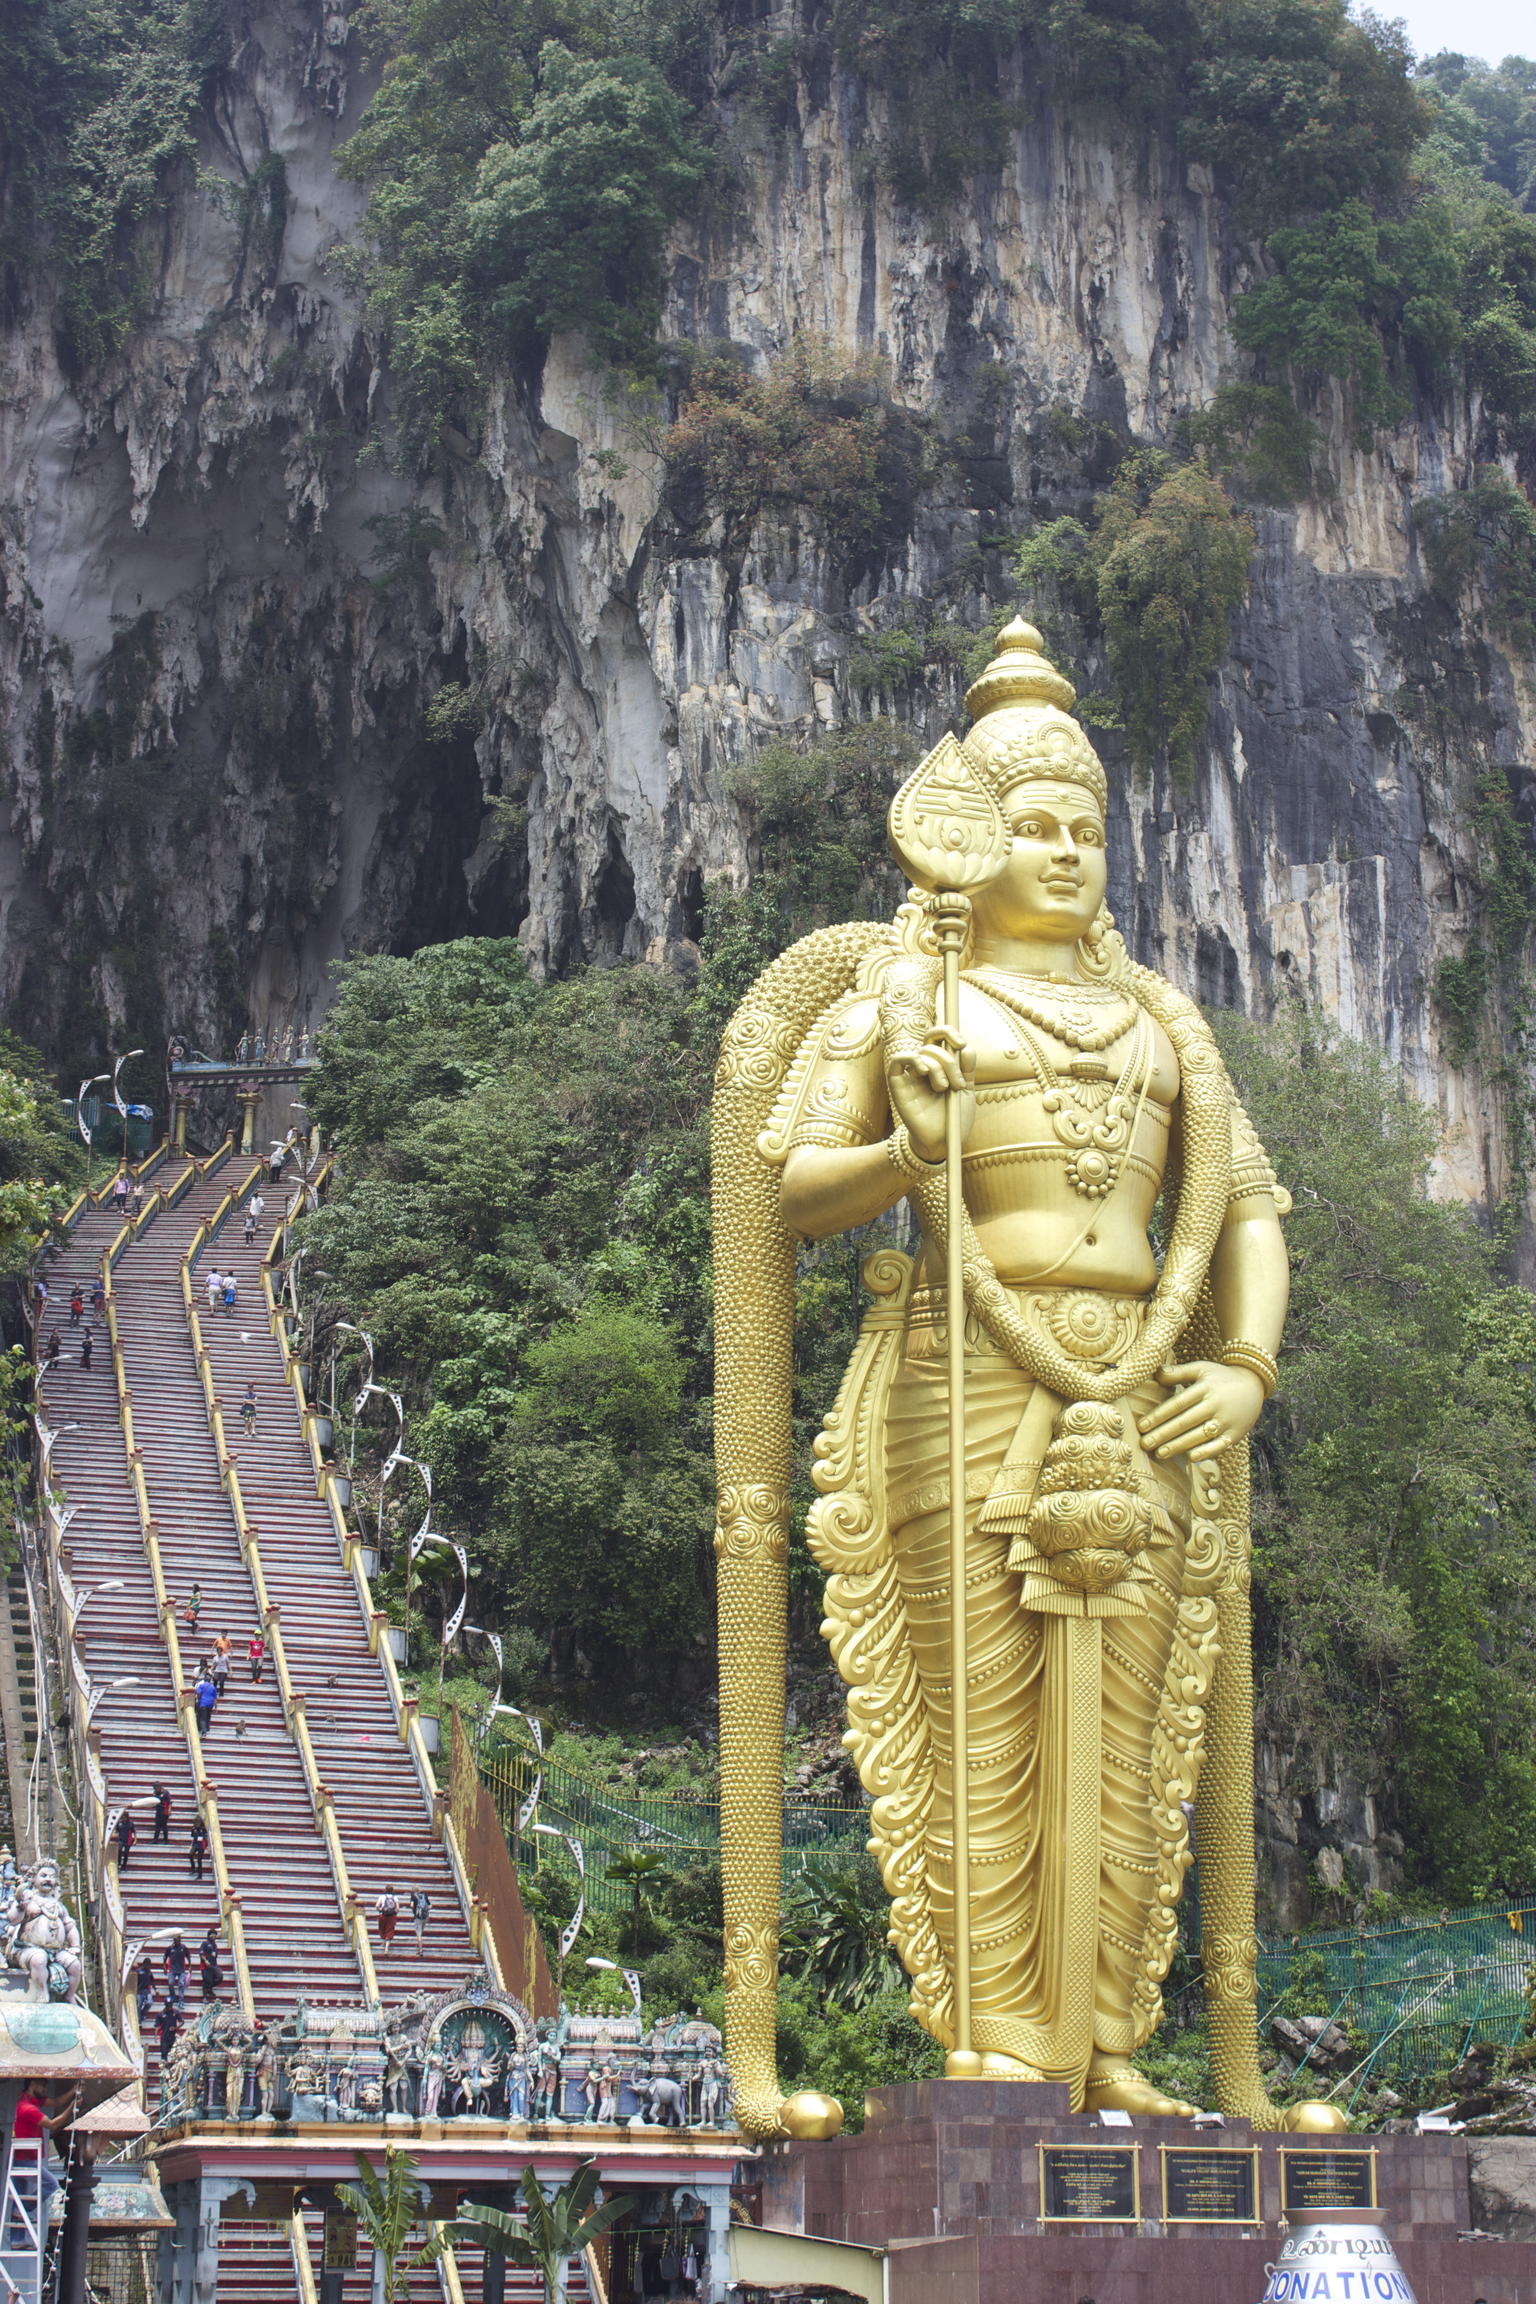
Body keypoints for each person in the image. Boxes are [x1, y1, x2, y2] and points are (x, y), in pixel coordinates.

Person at [710, 615, 1342, 2138]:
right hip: (960, 1373)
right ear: (968, 845)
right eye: (1032, 827)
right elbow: (781, 1185)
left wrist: (1243, 1365)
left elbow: (1245, 1204)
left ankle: (1113, 2041)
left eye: (1085, 828)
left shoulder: (1163, 1023)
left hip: (1144, 1384)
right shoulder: (907, 1001)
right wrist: (905, 1149)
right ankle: (996, 2037)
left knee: (1141, 1724)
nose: (1062, 852)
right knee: (978, 1710)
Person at [374, 1886, 400, 1958]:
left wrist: (380, 1910)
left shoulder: (382, 1897)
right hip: (392, 1916)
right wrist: (394, 1912)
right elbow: (397, 1909)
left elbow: (376, 1906)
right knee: (390, 1930)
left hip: (383, 1915)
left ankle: (384, 1942)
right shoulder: (395, 1897)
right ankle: (386, 1949)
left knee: (382, 1929)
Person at [164, 1934, 189, 2004]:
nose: (177, 1941)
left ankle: (181, 1999)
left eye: (178, 1939)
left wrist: (190, 1966)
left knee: (181, 1984)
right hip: (172, 1969)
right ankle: (173, 1996)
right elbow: (165, 1957)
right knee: (170, 1983)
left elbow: (188, 1956)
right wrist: (164, 1967)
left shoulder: (183, 1947)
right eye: (175, 1940)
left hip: (181, 1969)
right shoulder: (170, 1948)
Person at [198, 1930, 221, 2002]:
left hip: (213, 1965)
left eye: (215, 1935)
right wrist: (205, 1961)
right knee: (207, 1980)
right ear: (209, 1936)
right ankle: (204, 1996)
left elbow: (215, 1955)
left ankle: (209, 1989)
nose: (213, 1936)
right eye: (212, 1935)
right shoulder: (205, 1943)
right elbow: (201, 1953)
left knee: (219, 1977)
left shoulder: (215, 1945)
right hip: (205, 1965)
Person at [193, 1672, 218, 1736]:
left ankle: (204, 1731)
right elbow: (215, 1698)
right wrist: (216, 1707)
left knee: (202, 1718)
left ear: (204, 1680)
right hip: (210, 1704)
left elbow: (197, 1693)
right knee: (208, 1716)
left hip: (203, 1703)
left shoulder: (201, 1686)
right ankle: (207, 1728)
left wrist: (199, 1699)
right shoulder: (213, 1687)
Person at [134, 1954, 155, 2026]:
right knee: (139, 2005)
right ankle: (139, 2021)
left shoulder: (149, 1972)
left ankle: (143, 2013)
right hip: (139, 1991)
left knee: (149, 2002)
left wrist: (155, 1989)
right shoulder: (138, 1971)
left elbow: (152, 1981)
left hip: (147, 1991)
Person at [410, 1887, 431, 1956]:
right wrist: (425, 1910)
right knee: (421, 1931)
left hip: (418, 1917)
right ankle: (418, 1945)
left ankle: (420, 1950)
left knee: (418, 1933)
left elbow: (411, 1905)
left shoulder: (413, 1896)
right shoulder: (424, 1895)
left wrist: (416, 1911)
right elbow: (430, 1906)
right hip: (425, 1916)